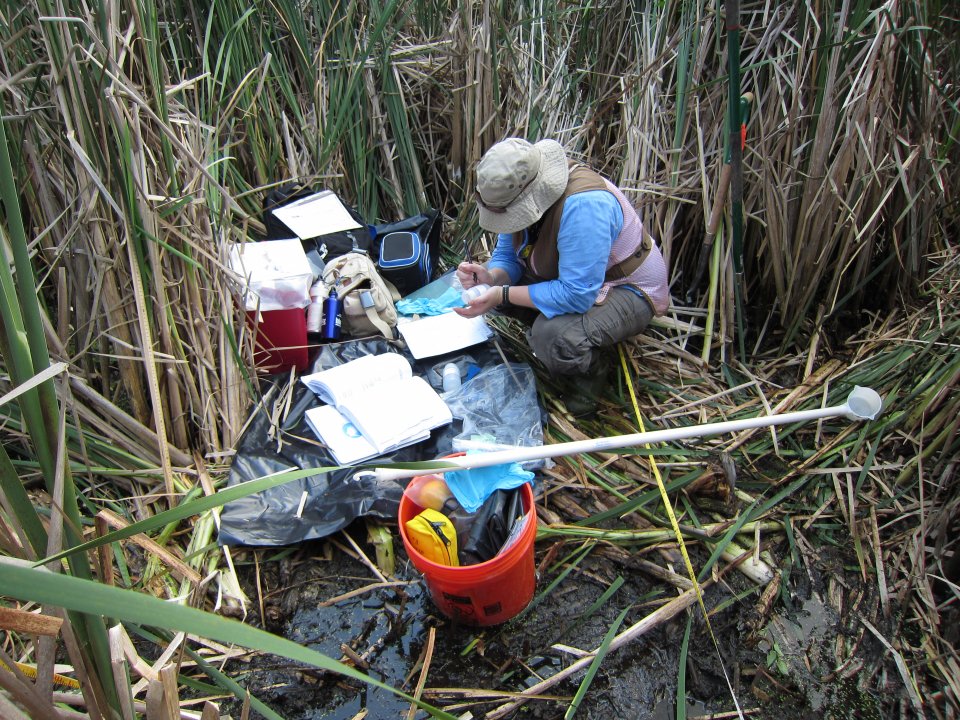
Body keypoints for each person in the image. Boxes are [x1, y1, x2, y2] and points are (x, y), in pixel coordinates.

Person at [454, 138, 669, 415]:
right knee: (501, 295)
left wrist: (502, 293)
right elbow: (509, 255)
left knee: (553, 337)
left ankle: (589, 372)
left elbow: (577, 295)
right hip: (581, 280)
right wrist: (491, 278)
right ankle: (563, 332)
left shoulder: (584, 207)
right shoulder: (514, 190)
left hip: (627, 287)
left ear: (529, 197)